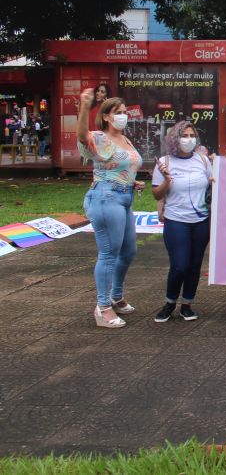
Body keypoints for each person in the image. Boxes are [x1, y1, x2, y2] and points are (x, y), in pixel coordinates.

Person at [76, 88, 144, 328]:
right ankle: (102, 307)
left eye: (125, 112)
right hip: (105, 198)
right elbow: (83, 136)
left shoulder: (124, 139)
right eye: (118, 112)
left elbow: (120, 165)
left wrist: (132, 181)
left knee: (128, 251)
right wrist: (84, 107)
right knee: (108, 253)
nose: (123, 116)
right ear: (106, 116)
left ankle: (116, 296)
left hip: (124, 197)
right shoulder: (99, 137)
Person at [151, 121, 213, 323]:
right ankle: (170, 302)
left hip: (201, 221)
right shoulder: (164, 162)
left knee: (195, 265)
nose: (189, 139)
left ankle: (187, 304)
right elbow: (155, 194)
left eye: (192, 135)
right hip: (176, 220)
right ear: (174, 139)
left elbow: (214, 185)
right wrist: (167, 181)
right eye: (184, 135)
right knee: (179, 265)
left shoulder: (203, 161)